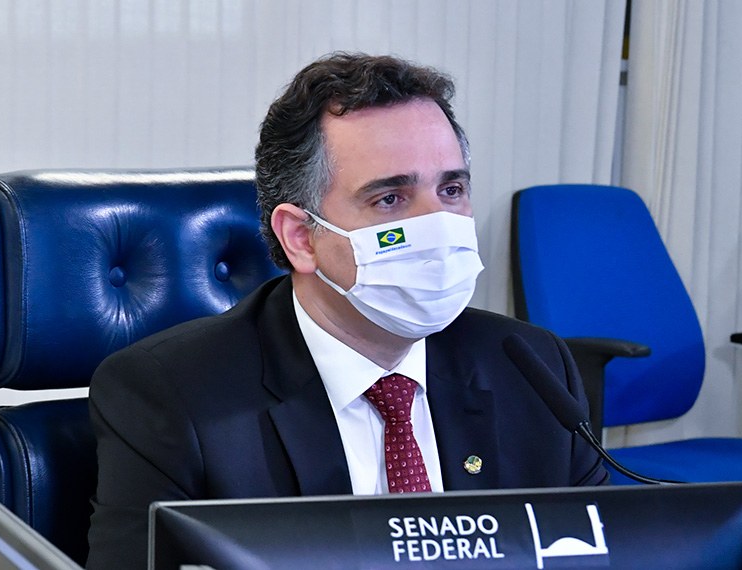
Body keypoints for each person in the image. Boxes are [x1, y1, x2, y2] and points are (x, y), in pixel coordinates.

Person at [86, 52, 607, 569]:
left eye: (451, 189)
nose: (438, 224)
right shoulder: (173, 395)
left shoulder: (531, 369)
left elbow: (598, 554)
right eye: (390, 199)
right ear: (301, 237)